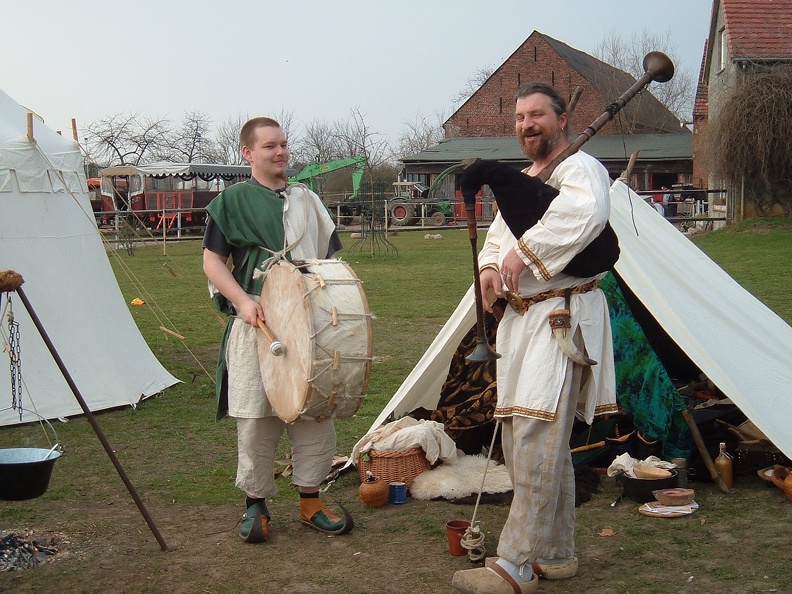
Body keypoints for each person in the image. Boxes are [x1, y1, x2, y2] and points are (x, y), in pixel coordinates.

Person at [452, 83, 617, 594]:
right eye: (521, 117)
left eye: (538, 115)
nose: (527, 125)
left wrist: (526, 256)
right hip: (525, 323)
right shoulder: (529, 178)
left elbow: (583, 218)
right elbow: (501, 235)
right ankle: (555, 551)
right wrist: (487, 268)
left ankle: (515, 564)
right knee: (537, 441)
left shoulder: (580, 170)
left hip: (561, 320)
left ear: (561, 119)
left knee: (534, 440)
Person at [202, 116, 350, 543]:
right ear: (248, 153)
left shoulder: (307, 200)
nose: (280, 152)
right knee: (255, 417)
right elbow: (213, 262)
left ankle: (310, 501)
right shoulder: (232, 201)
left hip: (309, 325)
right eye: (269, 146)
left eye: (284, 144)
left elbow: (327, 262)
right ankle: (256, 506)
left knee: (313, 411)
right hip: (256, 325)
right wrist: (242, 300)